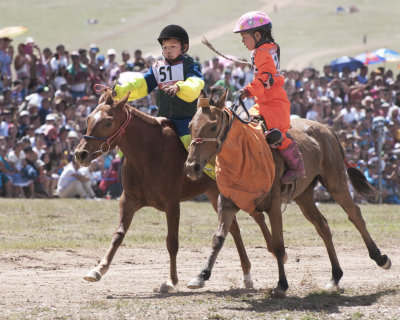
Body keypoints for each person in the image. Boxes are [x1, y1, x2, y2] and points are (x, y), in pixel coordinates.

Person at [234, 11, 306, 184]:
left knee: (275, 135)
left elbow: (264, 79)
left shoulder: (261, 53)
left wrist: (247, 91)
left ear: (257, 35)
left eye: (245, 37)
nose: (243, 41)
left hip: (273, 104)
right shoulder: (268, 48)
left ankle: (297, 167)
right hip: (264, 102)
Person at [114, 25, 204, 150]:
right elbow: (142, 84)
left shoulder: (190, 65)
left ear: (184, 47)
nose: (168, 50)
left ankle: (209, 170)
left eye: (173, 47)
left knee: (193, 149)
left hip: (186, 121)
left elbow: (195, 83)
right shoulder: (157, 67)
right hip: (162, 119)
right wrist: (119, 92)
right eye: (165, 47)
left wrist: (180, 88)